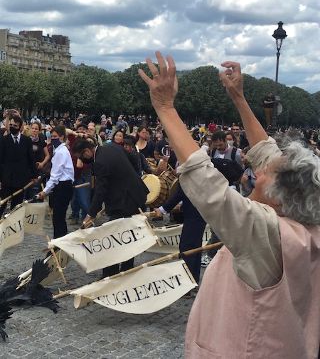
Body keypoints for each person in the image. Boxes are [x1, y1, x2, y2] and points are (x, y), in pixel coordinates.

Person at [138, 51, 320, 359]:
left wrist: (166, 108)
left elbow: (208, 186)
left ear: (279, 199)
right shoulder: (307, 226)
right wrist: (238, 97)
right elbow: (266, 152)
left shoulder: (268, 235)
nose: (257, 172)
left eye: (265, 173)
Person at [72, 138, 149, 277]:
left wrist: (90, 214)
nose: (83, 161)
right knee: (126, 234)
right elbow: (132, 157)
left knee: (113, 236)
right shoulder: (110, 147)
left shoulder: (100, 162)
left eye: (81, 158)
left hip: (124, 201)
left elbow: (100, 191)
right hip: (134, 195)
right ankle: (126, 269)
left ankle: (110, 274)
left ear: (88, 151)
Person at [38, 126, 74, 238]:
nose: (53, 139)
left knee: (58, 218)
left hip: (63, 187)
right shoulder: (59, 150)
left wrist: (45, 191)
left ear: (62, 137)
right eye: (51, 136)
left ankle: (59, 242)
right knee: (59, 217)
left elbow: (55, 176)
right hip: (63, 186)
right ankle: (59, 241)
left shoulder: (61, 152)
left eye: (55, 137)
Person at [0, 115, 38, 216]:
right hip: (6, 180)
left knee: (16, 208)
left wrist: (34, 175)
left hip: (21, 180)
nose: (12, 127)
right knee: (2, 204)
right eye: (11, 125)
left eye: (15, 125)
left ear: (20, 127)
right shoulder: (4, 140)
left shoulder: (27, 141)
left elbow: (31, 159)